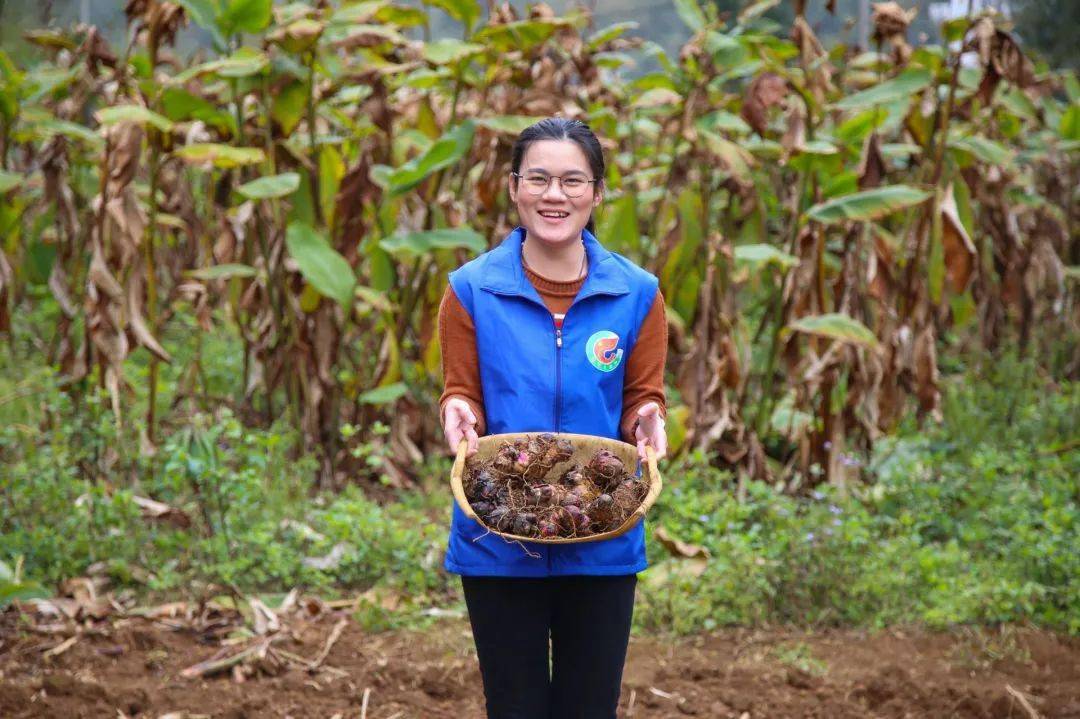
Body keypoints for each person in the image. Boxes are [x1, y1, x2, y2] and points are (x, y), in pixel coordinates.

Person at [437, 117, 668, 719]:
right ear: (514, 187)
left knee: (589, 707)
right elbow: (461, 393)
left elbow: (644, 395)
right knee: (513, 705)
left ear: (596, 192)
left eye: (572, 180)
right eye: (537, 178)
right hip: (498, 533)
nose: (554, 195)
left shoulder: (637, 292)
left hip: (601, 529)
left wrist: (648, 417)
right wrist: (457, 411)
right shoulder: (470, 289)